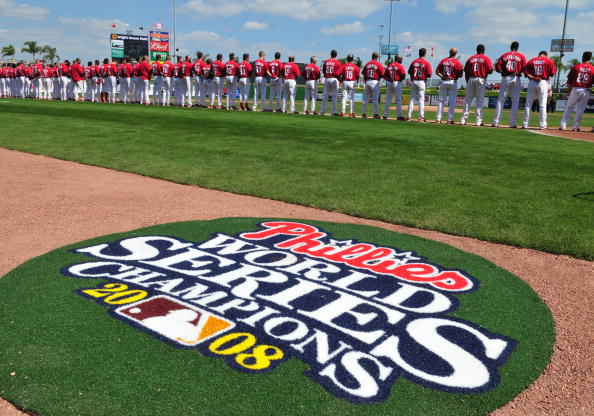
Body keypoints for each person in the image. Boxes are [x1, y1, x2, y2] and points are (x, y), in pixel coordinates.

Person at [492, 41, 526, 128]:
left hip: (506, 78)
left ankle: (496, 122)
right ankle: (513, 123)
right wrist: (518, 71)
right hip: (516, 78)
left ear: (510, 47)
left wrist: (503, 72)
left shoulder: (504, 55)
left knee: (501, 100)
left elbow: (497, 68)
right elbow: (525, 69)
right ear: (517, 48)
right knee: (515, 101)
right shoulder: (521, 56)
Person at [522, 51, 556, 130]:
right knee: (542, 105)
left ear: (539, 54)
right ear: (546, 55)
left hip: (532, 82)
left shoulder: (532, 60)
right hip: (543, 82)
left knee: (528, 104)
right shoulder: (549, 61)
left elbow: (526, 73)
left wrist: (533, 78)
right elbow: (552, 74)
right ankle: (542, 125)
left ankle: (524, 124)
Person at [560, 51, 593, 132]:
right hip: (586, 90)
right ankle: (575, 127)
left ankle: (563, 125)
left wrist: (569, 91)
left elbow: (569, 82)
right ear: (590, 58)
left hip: (576, 89)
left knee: (569, 107)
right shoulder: (592, 69)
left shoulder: (576, 67)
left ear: (583, 57)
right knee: (580, 109)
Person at [461, 44, 493, 126]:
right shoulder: (486, 58)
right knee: (479, 101)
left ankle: (463, 120)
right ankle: (478, 121)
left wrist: (468, 81)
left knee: (468, 100)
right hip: (480, 79)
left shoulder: (470, 58)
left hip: (471, 79)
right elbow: (490, 70)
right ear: (484, 50)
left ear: (476, 50)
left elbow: (466, 71)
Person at [435, 48, 463, 124]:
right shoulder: (457, 62)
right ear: (455, 54)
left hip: (444, 81)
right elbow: (460, 75)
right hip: (453, 81)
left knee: (441, 101)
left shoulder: (443, 60)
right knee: (452, 101)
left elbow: (437, 71)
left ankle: (438, 119)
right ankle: (449, 119)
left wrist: (442, 76)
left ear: (449, 52)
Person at [407, 48, 432, 122]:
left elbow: (409, 72)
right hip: (421, 81)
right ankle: (420, 117)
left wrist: (412, 79)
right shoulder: (426, 63)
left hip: (414, 81)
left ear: (419, 53)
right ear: (425, 54)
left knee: (412, 99)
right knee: (421, 100)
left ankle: (408, 116)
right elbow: (429, 75)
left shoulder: (414, 62)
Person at [361, 51, 385, 119]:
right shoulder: (378, 64)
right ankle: (375, 114)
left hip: (368, 81)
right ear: (377, 57)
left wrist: (365, 81)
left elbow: (363, 73)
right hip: (375, 81)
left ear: (372, 56)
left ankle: (363, 114)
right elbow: (382, 74)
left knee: (365, 99)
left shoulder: (367, 64)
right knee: (375, 99)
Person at [383, 54, 406, 120]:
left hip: (390, 83)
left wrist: (389, 79)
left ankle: (385, 115)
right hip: (397, 82)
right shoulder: (400, 66)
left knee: (388, 100)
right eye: (401, 58)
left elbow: (384, 76)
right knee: (398, 100)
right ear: (397, 59)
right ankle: (399, 116)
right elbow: (403, 76)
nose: (402, 60)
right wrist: (399, 79)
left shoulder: (389, 65)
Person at [320, 49, 342, 116]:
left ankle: (322, 111)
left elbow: (323, 71)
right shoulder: (338, 62)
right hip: (334, 79)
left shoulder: (326, 62)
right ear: (336, 55)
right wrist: (340, 80)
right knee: (334, 96)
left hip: (327, 78)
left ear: (331, 54)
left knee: (325, 96)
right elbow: (339, 73)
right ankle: (333, 112)